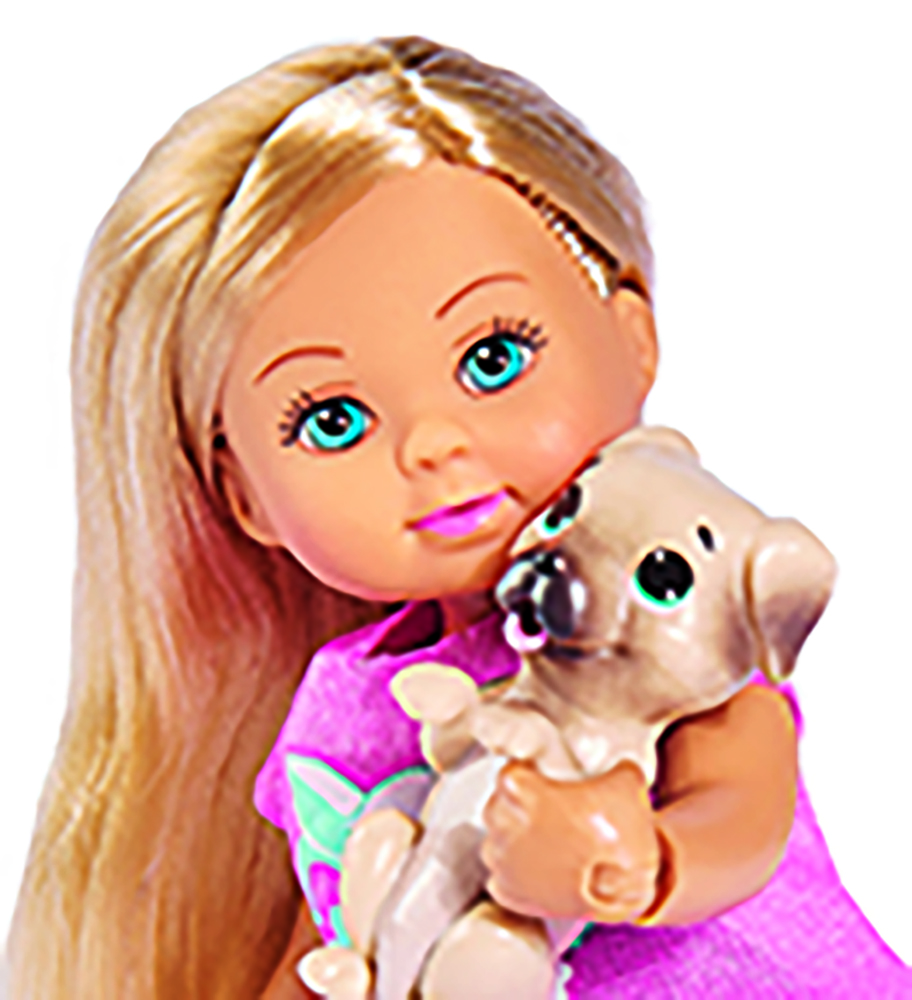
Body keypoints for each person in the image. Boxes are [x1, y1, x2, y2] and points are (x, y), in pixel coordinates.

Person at [8, 36, 909, 1000]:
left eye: (493, 358)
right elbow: (335, 916)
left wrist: (641, 861)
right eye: (333, 420)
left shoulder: (659, 624)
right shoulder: (340, 706)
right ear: (244, 496)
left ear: (632, 333)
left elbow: (742, 810)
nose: (431, 445)